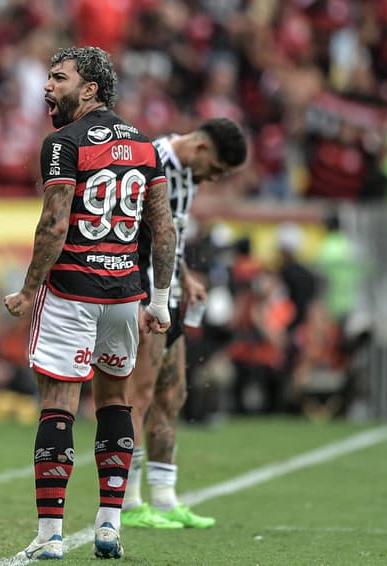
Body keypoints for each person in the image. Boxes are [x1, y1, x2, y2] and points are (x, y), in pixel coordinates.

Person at [3, 46, 176, 560]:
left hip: (70, 291)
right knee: (115, 402)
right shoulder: (146, 146)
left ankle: (51, 536)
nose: (47, 86)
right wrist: (161, 301)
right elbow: (162, 229)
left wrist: (30, 287)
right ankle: (108, 527)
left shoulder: (63, 143)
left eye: (58, 78)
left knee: (59, 405)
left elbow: (54, 225)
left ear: (90, 89)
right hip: (126, 294)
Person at [121, 118, 248, 529]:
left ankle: (164, 499)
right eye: (216, 169)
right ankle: (127, 501)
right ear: (199, 148)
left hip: (171, 293)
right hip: (144, 295)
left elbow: (170, 235)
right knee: (137, 396)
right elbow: (133, 234)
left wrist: (186, 277)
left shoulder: (189, 175)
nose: (214, 178)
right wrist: (141, 294)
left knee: (172, 395)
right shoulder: (149, 162)